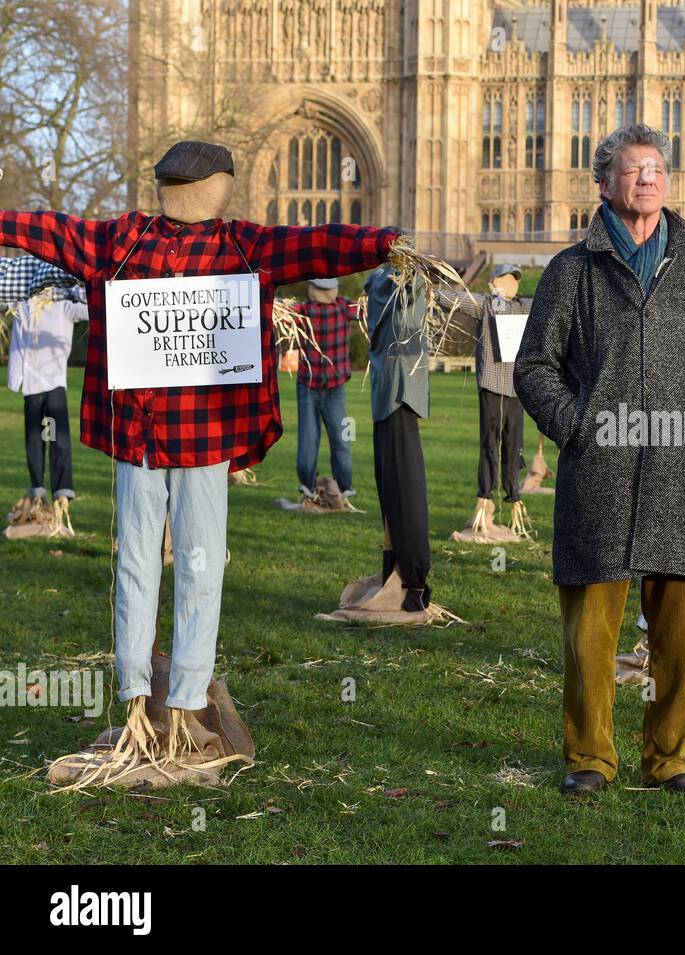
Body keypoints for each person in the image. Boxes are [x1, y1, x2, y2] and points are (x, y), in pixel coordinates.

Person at [0, 140, 400, 784]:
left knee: (176, 564)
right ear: (217, 185)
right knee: (167, 563)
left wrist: (383, 243)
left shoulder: (204, 244)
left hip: (187, 437)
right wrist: (385, 242)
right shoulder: (135, 241)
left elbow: (321, 243)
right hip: (153, 436)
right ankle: (143, 706)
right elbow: (319, 243)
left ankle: (180, 705)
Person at [515, 123, 685, 798]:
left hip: (679, 470)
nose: (647, 178)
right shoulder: (571, 271)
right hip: (601, 470)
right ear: (604, 183)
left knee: (679, 628)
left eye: (655, 168)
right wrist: (574, 426)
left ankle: (673, 758)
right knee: (591, 624)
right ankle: (590, 754)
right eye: (632, 169)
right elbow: (534, 365)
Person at [439, 263, 533, 540]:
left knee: (514, 447)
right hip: (492, 387)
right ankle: (484, 499)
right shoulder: (486, 305)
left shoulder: (524, 307)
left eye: (514, 279)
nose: (510, 283)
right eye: (505, 278)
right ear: (495, 282)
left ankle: (513, 496)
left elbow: (555, 304)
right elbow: (451, 300)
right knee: (490, 445)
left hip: (516, 390)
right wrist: (429, 288)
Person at [365, 263, 432, 611]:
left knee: (399, 489)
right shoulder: (396, 282)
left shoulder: (380, 282)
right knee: (401, 490)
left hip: (391, 395)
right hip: (398, 392)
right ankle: (407, 578)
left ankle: (409, 578)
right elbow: (409, 322)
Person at [5, 260, 86, 530]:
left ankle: (62, 492)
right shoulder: (23, 307)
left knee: (57, 439)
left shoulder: (63, 307)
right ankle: (37, 488)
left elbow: (89, 310)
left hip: (53, 387)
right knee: (36, 439)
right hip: (31, 389)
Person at [293, 276, 356, 505]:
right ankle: (344, 489)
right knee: (342, 439)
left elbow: (279, 310)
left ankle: (309, 489)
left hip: (310, 387)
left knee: (309, 441)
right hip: (332, 388)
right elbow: (369, 307)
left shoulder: (302, 311)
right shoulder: (344, 307)